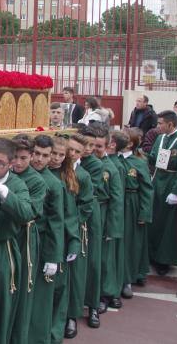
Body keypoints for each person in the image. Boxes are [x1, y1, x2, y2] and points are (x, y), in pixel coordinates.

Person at [0, 138, 33, 344]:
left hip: (2, 249)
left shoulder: (16, 184)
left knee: (0, 304)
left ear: (10, 164)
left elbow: (26, 213)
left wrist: (4, 192)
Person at [46, 136, 85, 343]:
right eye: (54, 154)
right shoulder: (42, 174)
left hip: (61, 237)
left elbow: (70, 215)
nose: (57, 158)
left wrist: (74, 240)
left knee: (60, 288)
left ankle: (57, 330)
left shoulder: (67, 177)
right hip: (48, 236)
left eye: (62, 155)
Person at [27, 135, 65, 344]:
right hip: (22, 240)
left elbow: (56, 222)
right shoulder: (22, 175)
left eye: (45, 155)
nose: (39, 159)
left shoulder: (53, 183)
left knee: (39, 297)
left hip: (41, 243)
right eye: (37, 154)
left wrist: (52, 257)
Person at [10, 135, 47, 344]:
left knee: (22, 289)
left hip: (24, 237)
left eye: (23, 158)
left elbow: (30, 211)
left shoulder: (36, 181)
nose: (18, 162)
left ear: (31, 156)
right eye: (14, 157)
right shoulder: (5, 173)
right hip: (7, 236)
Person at [147, 110, 177, 275]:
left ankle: (164, 260)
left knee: (168, 225)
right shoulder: (160, 138)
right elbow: (154, 158)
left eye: (161, 124)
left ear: (170, 124)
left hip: (171, 184)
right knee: (155, 221)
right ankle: (152, 254)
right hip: (158, 181)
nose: (158, 126)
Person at [63, 133, 95, 339]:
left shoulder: (83, 176)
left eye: (76, 151)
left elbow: (87, 205)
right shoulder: (57, 171)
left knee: (74, 275)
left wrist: (72, 222)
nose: (72, 154)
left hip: (74, 229)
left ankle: (71, 316)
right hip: (57, 227)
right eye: (69, 150)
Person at [76, 126, 105, 329]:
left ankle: (93, 305)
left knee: (93, 262)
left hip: (89, 215)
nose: (88, 149)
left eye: (92, 145)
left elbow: (89, 190)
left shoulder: (94, 165)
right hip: (74, 213)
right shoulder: (71, 161)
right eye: (85, 144)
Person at [120, 128, 153, 298]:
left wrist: (144, 213)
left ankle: (128, 278)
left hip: (131, 203)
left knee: (130, 243)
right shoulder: (114, 159)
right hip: (117, 202)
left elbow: (147, 189)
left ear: (130, 143)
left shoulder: (138, 162)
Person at [99, 128, 125, 312]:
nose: (94, 149)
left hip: (104, 214)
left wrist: (112, 228)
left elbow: (117, 200)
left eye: (99, 146)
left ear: (108, 146)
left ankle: (107, 293)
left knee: (105, 259)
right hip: (91, 215)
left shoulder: (112, 168)